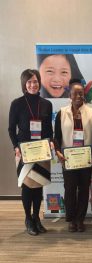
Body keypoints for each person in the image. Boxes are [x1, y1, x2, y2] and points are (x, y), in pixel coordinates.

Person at [8, 69, 53, 236]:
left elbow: (49, 129)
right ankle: (28, 218)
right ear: (24, 84)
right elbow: (11, 129)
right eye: (29, 82)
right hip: (24, 152)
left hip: (41, 151)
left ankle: (36, 217)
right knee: (27, 187)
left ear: (39, 82)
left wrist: (51, 145)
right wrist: (15, 147)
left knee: (38, 186)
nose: (33, 85)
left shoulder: (46, 104)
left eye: (35, 81)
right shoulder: (17, 103)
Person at [54, 78, 92, 232]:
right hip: (68, 158)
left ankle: (80, 219)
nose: (78, 96)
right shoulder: (62, 113)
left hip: (85, 158)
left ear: (84, 95)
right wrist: (58, 152)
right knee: (70, 189)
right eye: (75, 93)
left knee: (84, 189)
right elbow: (57, 136)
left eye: (81, 93)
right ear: (70, 95)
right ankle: (71, 219)